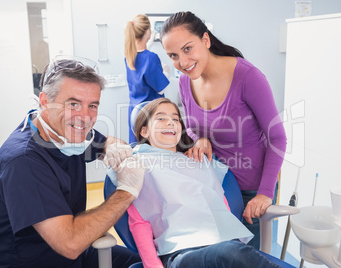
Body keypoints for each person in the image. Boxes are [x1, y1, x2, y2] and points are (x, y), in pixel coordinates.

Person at [0, 57, 145, 268]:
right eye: (73, 104)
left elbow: (104, 143)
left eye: (92, 105)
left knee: (148, 263)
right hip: (35, 261)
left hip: (70, 255)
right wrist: (126, 192)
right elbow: (71, 243)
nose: (85, 117)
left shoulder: (66, 134)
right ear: (45, 101)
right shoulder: (24, 161)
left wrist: (113, 147)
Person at [160, 11, 287, 249]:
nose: (183, 63)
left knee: (247, 260)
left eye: (188, 49)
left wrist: (265, 193)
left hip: (251, 190)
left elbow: (277, 138)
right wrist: (201, 139)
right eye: (173, 56)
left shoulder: (248, 77)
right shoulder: (185, 82)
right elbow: (194, 127)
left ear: (205, 40)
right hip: (214, 185)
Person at [107, 98, 280, 268]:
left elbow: (219, 203)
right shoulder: (138, 165)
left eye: (175, 119)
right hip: (181, 253)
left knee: (233, 251)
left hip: (224, 243)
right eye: (161, 118)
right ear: (144, 131)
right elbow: (139, 221)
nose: (170, 122)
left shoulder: (196, 160)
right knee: (232, 252)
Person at [124, 14, 170, 143]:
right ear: (148, 31)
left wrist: (147, 45)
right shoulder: (151, 58)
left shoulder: (128, 57)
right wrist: (166, 71)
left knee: (137, 147)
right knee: (151, 149)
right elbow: (161, 88)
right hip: (150, 111)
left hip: (134, 111)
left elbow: (141, 64)